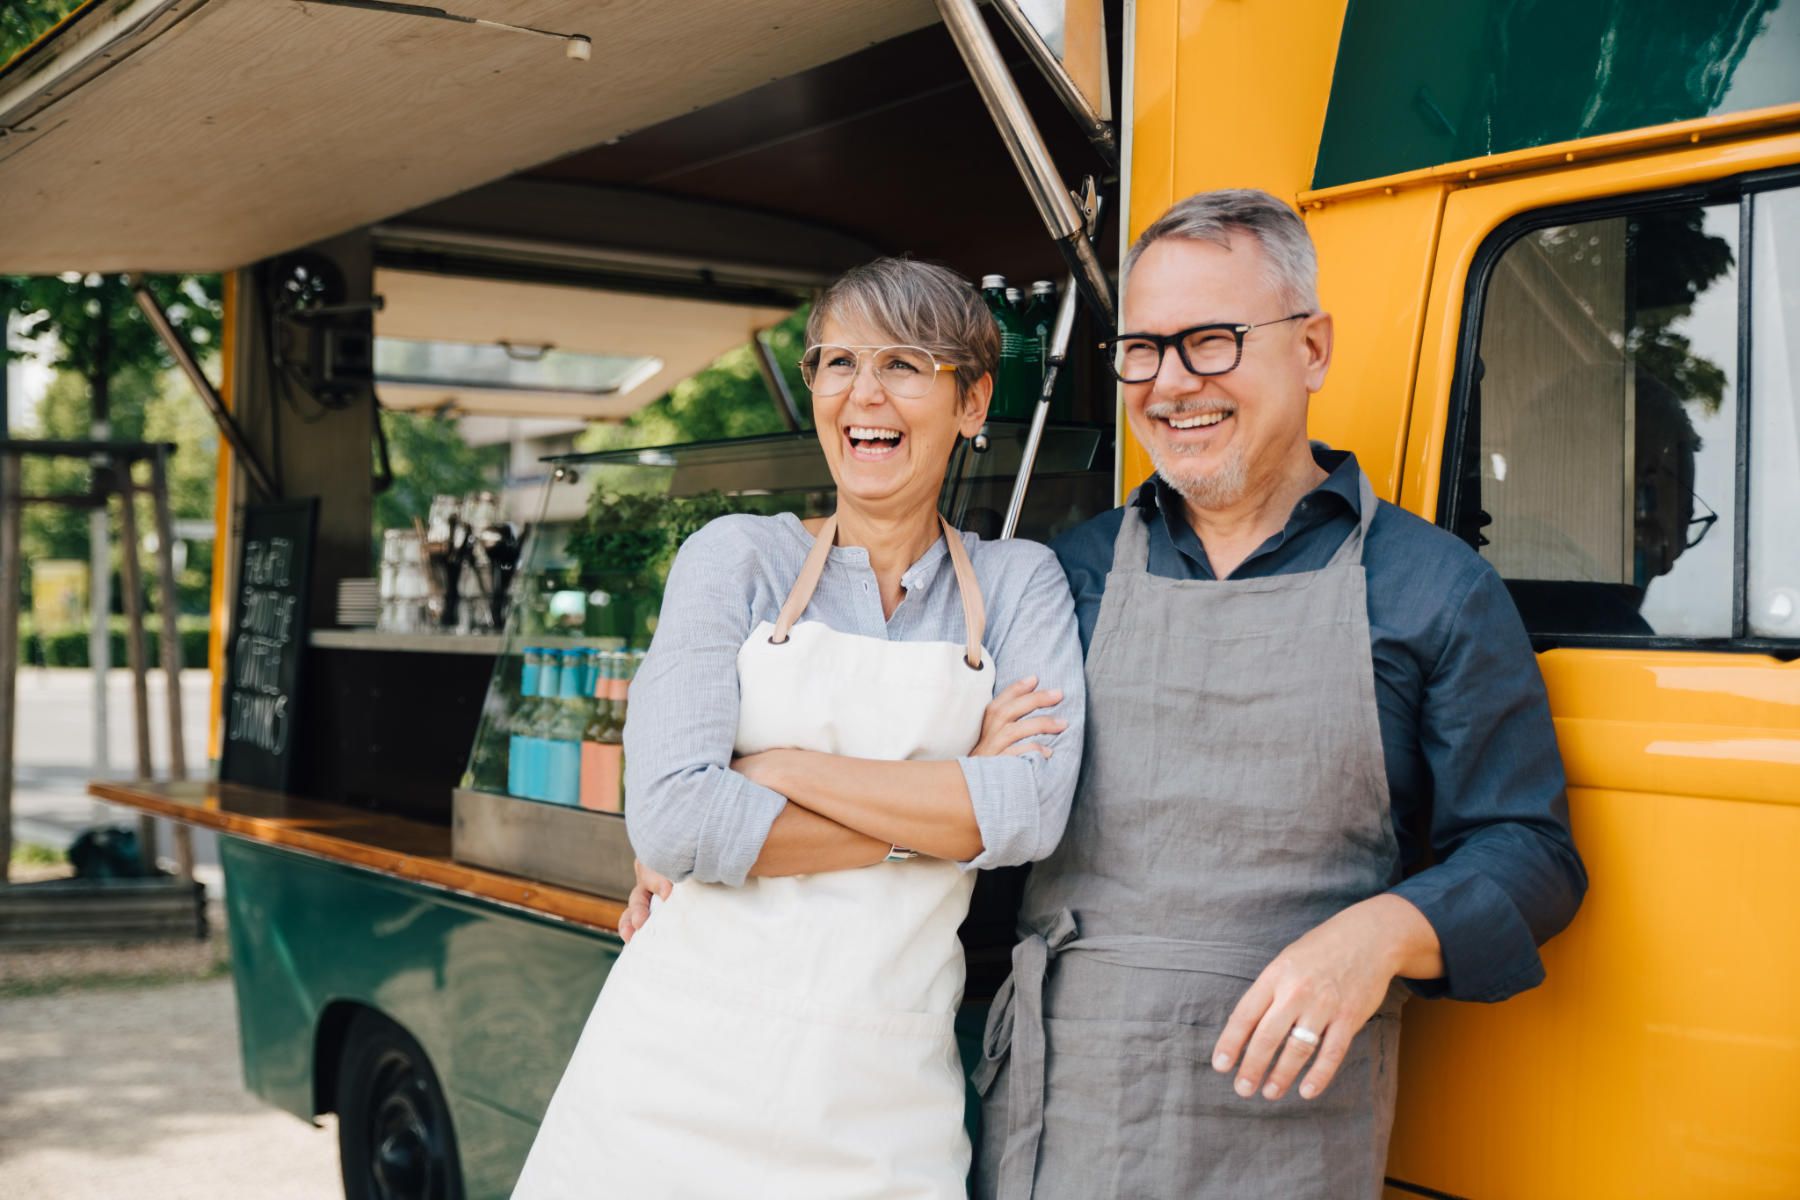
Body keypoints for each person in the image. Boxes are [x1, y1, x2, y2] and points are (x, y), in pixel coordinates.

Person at [973, 190, 1587, 1199]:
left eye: (1210, 342)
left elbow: (1530, 850)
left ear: (1311, 348)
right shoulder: (1060, 579)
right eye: (1143, 350)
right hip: (1065, 1114)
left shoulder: (1432, 586)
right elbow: (954, 803)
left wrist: (1385, 933)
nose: (1171, 385)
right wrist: (731, 858)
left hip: (1293, 1127)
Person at [512, 257, 1086, 1199]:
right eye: (839, 362)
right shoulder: (736, 559)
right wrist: (940, 819)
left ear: (973, 402)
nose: (865, 394)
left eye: (906, 364)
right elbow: (674, 825)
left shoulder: (1020, 583)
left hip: (884, 1096)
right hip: (673, 1076)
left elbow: (1025, 815)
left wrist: (774, 766)